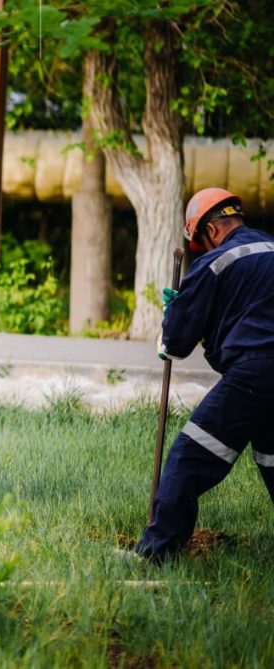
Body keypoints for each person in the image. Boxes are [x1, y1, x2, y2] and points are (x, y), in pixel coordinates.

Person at [135, 187, 274, 563]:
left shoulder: (215, 263)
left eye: (200, 243)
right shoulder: (269, 249)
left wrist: (174, 313)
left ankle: (156, 554)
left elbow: (177, 342)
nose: (202, 251)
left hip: (253, 376)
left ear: (210, 231)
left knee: (188, 459)